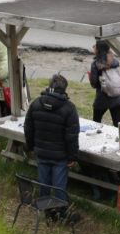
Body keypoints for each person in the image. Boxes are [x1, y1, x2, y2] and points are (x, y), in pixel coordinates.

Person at [24, 74, 80, 207]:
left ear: (49, 86)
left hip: (41, 152)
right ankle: (61, 213)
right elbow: (71, 135)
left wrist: (30, 146)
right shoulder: (69, 108)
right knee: (59, 187)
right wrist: (73, 156)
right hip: (60, 155)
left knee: (43, 184)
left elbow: (28, 128)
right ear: (65, 89)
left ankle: (45, 209)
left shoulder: (36, 103)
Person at [88, 39, 120, 125]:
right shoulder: (115, 60)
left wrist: (91, 77)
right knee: (118, 124)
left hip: (103, 97)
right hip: (117, 96)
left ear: (99, 48)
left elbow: (94, 84)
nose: (93, 46)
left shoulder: (96, 63)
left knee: (96, 123)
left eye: (95, 45)